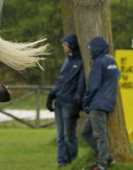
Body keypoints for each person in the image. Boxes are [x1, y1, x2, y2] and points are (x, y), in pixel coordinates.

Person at [79, 36, 119, 170]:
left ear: (97, 48)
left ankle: (102, 165)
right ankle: (107, 157)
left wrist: (85, 102)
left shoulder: (99, 62)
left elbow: (93, 85)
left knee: (99, 135)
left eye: (91, 49)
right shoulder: (112, 61)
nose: (90, 52)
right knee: (85, 132)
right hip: (108, 103)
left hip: (97, 104)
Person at [46, 34, 83, 167]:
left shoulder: (81, 62)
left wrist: (77, 102)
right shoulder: (67, 60)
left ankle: (73, 161)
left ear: (72, 44)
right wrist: (52, 95)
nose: (63, 45)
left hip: (70, 104)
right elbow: (61, 80)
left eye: (65, 43)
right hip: (60, 102)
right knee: (60, 136)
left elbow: (80, 85)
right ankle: (62, 162)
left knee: (69, 136)